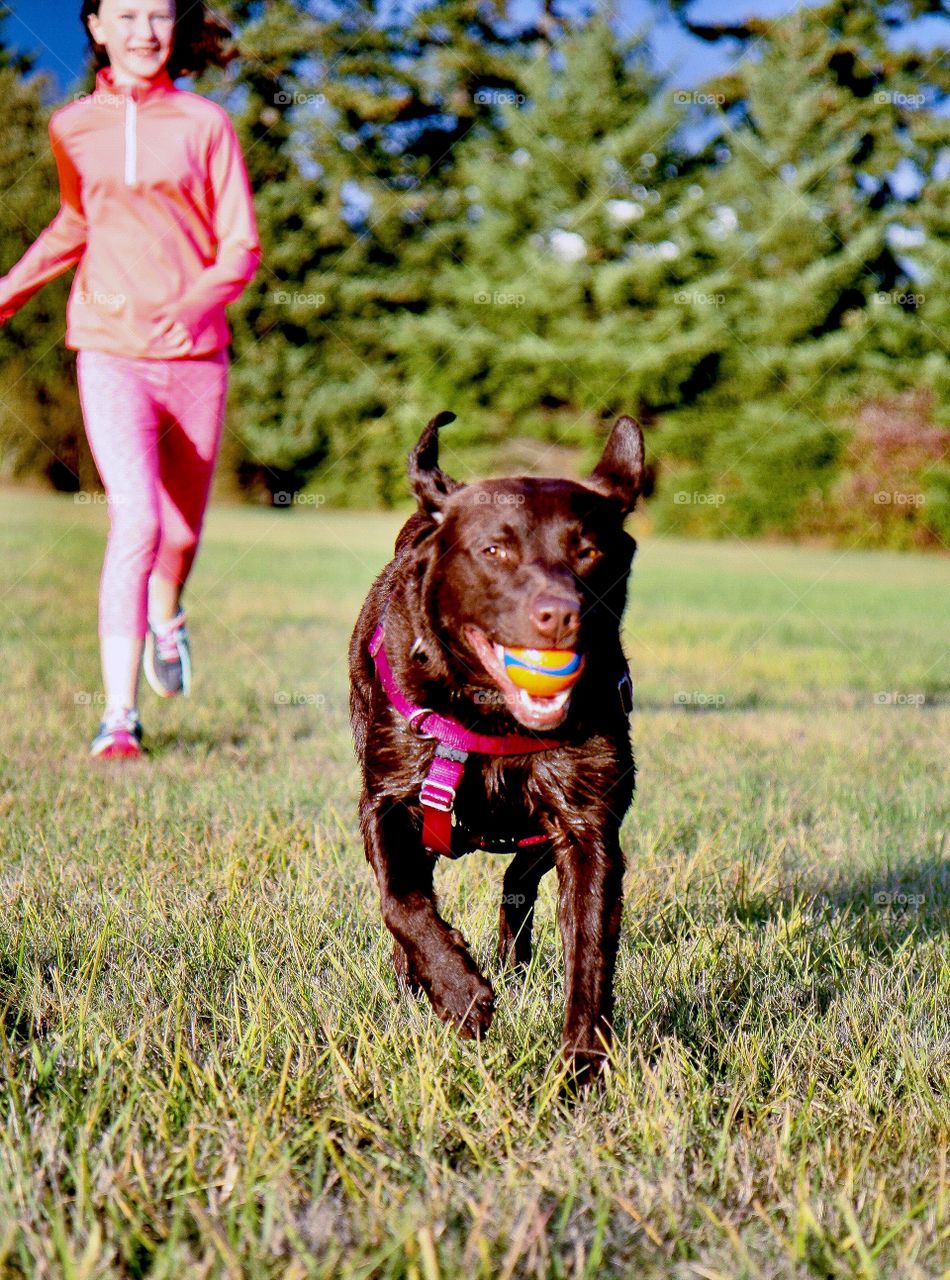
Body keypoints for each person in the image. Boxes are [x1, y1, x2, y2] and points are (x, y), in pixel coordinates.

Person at [0, 0, 260, 758]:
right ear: (96, 26)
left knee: (178, 534)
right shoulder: (73, 126)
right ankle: (119, 717)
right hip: (109, 348)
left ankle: (167, 615)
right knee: (137, 521)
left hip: (196, 356)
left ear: (176, 28)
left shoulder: (206, 125)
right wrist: (9, 291)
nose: (145, 30)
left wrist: (194, 303)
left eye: (158, 15)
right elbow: (77, 222)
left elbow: (239, 244)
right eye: (128, 15)